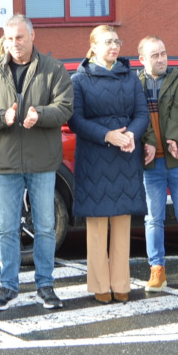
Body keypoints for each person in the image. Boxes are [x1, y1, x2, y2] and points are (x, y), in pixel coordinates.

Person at [0, 15, 76, 309]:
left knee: (44, 226)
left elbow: (65, 108)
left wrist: (39, 115)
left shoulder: (53, 69)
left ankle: (45, 285)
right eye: (9, 38)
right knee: (7, 228)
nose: (14, 44)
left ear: (32, 36)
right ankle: (7, 286)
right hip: (5, 162)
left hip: (42, 160)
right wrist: (1, 117)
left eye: (20, 37)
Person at [70, 25, 148, 303]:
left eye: (117, 41)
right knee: (97, 226)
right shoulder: (80, 79)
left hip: (125, 156)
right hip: (95, 157)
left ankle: (121, 284)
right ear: (93, 46)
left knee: (122, 223)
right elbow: (75, 121)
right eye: (107, 42)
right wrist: (107, 135)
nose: (114, 46)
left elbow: (141, 114)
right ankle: (100, 285)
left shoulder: (130, 77)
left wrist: (131, 135)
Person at [137, 36, 178, 294]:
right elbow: (138, 116)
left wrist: (172, 137)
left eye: (163, 53)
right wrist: (151, 141)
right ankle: (157, 270)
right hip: (151, 163)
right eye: (155, 55)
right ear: (142, 60)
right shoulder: (136, 84)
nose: (162, 59)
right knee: (153, 218)